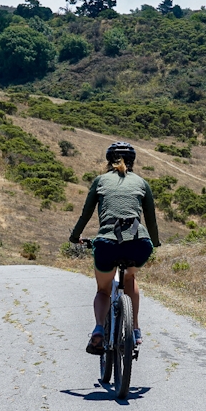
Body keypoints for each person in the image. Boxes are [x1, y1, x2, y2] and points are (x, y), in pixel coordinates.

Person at [69, 142, 160, 354]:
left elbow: (86, 214)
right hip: (139, 244)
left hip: (107, 244)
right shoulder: (142, 183)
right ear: (133, 162)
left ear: (109, 161)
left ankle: (99, 328)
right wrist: (154, 242)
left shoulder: (100, 181)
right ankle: (135, 330)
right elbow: (151, 221)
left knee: (103, 290)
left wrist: (75, 237)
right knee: (129, 278)